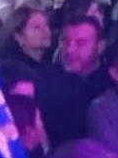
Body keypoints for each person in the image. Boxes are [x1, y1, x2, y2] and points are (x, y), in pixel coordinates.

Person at [37, 13, 108, 148]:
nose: (70, 50)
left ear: (100, 47)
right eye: (65, 42)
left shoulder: (111, 85)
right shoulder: (44, 80)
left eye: (80, 43)